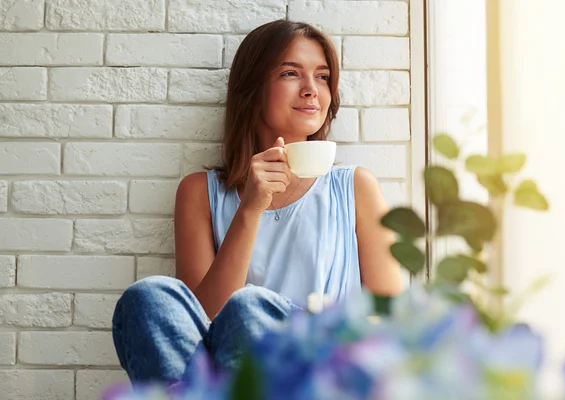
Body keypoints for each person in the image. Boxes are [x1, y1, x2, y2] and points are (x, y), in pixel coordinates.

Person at [111, 19, 403, 388]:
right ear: (253, 89)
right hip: (220, 380)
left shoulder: (355, 188)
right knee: (148, 299)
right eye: (290, 73)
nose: (312, 89)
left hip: (321, 378)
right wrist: (250, 209)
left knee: (249, 309)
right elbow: (196, 326)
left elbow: (390, 325)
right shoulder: (199, 193)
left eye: (323, 76)